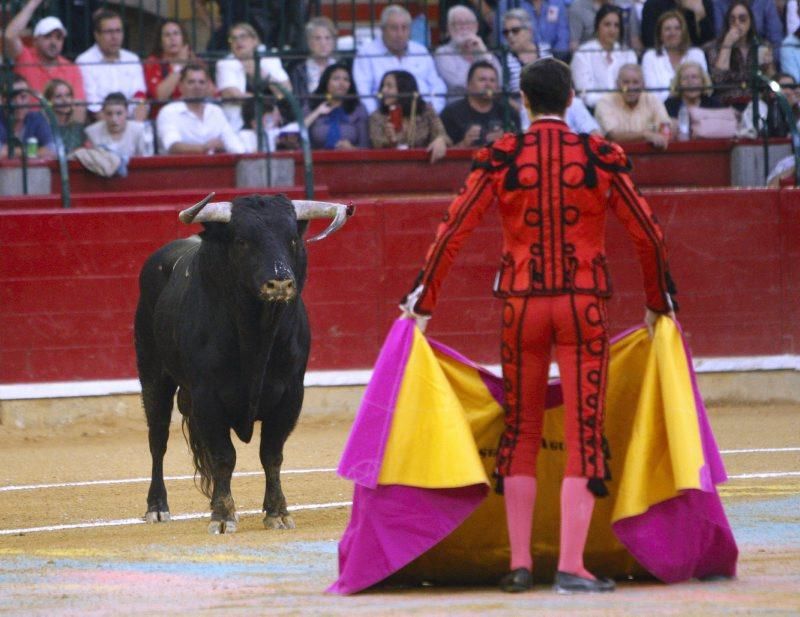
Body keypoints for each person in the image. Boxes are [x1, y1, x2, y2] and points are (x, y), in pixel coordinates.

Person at [400, 57, 676, 595]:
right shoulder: (599, 155)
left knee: (523, 428)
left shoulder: (501, 156)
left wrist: (422, 302)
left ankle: (521, 563)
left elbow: (453, 228)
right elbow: (648, 233)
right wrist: (657, 300)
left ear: (523, 100)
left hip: (522, 306)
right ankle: (571, 565)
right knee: (582, 430)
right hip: (583, 305)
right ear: (571, 98)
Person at [353, 4, 447, 114]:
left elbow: (437, 86)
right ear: (382, 30)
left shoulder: (420, 51)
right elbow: (363, 93)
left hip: (422, 116)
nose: (400, 34)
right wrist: (378, 118)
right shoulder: (366, 53)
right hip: (384, 117)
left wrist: (432, 111)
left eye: (404, 28)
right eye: (394, 28)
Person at [0, 0, 86, 122]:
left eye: (58, 37)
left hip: (59, 129)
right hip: (26, 127)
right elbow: (9, 36)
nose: (53, 42)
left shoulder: (71, 68)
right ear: (35, 40)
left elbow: (79, 108)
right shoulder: (25, 56)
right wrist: (33, 3)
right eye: (47, 36)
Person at [216, 22, 292, 131]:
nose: (238, 41)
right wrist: (270, 105)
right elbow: (234, 96)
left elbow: (286, 90)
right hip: (240, 123)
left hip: (273, 121)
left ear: (255, 40)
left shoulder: (269, 60)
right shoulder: (225, 64)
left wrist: (261, 73)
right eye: (233, 38)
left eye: (243, 37)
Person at [76, 9, 148, 121]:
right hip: (101, 127)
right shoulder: (84, 61)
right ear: (97, 35)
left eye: (118, 31)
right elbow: (93, 106)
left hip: (132, 123)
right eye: (109, 32)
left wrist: (134, 128)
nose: (115, 37)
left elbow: (140, 97)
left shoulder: (132, 59)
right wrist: (115, 130)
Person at [157, 63, 246, 155]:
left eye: (201, 82)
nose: (197, 87)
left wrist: (228, 146)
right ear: (180, 86)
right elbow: (172, 146)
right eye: (191, 82)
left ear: (207, 86)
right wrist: (204, 148)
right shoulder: (169, 112)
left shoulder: (216, 111)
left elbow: (234, 144)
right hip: (179, 167)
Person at [704, 0, 775, 110]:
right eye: (732, 19)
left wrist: (768, 66)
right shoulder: (715, 47)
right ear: (727, 22)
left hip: (756, 103)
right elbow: (718, 79)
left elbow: (771, 82)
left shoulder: (761, 45)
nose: (737, 23)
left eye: (742, 19)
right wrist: (727, 44)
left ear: (750, 21)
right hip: (726, 103)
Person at [369, 70, 449, 162]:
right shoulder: (377, 116)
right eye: (383, 86)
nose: (383, 90)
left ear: (403, 89)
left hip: (424, 165)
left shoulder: (426, 111)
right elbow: (377, 145)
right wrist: (392, 142)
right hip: (391, 167)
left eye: (389, 86)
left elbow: (443, 135)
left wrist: (440, 140)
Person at [570, 5, 638, 109]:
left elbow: (633, 90)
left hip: (625, 110)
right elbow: (586, 95)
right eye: (607, 24)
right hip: (593, 111)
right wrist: (615, 100)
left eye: (616, 25)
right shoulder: (583, 54)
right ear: (597, 27)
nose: (612, 30)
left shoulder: (629, 54)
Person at [440, 60, 518, 147]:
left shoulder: (507, 112)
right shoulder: (451, 113)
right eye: (482, 80)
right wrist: (464, 143)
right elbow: (444, 154)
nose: (488, 85)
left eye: (492, 80)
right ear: (469, 85)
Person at [594, 63, 672, 147]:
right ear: (617, 84)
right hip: (615, 155)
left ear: (643, 85)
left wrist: (666, 130)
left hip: (648, 155)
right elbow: (613, 136)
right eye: (626, 82)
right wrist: (646, 135)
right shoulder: (605, 102)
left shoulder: (652, 100)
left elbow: (665, 127)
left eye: (635, 82)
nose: (631, 87)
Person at [435, 5, 502, 99]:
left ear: (476, 27)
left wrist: (484, 54)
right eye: (457, 23)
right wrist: (487, 84)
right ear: (449, 29)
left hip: (487, 103)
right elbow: (457, 82)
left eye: (468, 22)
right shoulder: (443, 52)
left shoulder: (482, 49)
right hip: (458, 106)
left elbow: (500, 80)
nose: (463, 27)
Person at [641, 10, 709, 101]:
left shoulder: (697, 54)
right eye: (667, 29)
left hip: (695, 107)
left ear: (683, 32)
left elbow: (704, 87)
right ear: (660, 35)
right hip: (661, 111)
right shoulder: (650, 57)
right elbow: (652, 94)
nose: (673, 33)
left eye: (677, 28)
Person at [303, 63, 369, 150]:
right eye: (336, 79)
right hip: (315, 160)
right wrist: (317, 112)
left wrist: (352, 149)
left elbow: (365, 146)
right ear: (326, 82)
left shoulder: (358, 108)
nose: (342, 83)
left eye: (346, 79)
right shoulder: (312, 105)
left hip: (350, 160)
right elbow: (298, 137)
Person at [143, 20, 197, 119]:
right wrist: (179, 66)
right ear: (160, 42)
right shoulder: (153, 62)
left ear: (183, 38)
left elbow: (211, 93)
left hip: (191, 117)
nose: (172, 38)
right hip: (163, 118)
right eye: (167, 35)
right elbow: (160, 96)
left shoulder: (194, 60)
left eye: (176, 34)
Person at [500, 8, 552, 112]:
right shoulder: (504, 59)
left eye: (515, 31)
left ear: (529, 31)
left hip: (551, 107)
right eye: (506, 32)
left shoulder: (547, 50)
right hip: (521, 111)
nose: (510, 36)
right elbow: (501, 94)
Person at [0, 73, 55, 159]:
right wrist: (36, 151)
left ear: (29, 98)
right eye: (12, 98)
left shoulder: (37, 119)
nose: (18, 103)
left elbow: (52, 150)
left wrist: (15, 151)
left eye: (23, 97)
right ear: (2, 100)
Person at [289, 17, 338, 106]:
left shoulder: (340, 66)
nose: (323, 43)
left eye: (327, 38)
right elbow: (298, 102)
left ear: (334, 42)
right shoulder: (299, 70)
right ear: (309, 42)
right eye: (317, 38)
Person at [495, 0, 570, 58]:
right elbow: (503, 40)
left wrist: (555, 61)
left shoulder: (557, 3)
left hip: (553, 60)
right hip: (517, 59)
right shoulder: (507, 4)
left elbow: (562, 39)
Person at [663, 60, 721, 133]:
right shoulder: (669, 105)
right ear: (678, 83)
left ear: (703, 82)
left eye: (695, 77)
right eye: (685, 78)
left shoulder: (714, 104)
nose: (690, 82)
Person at [85, 92, 148, 158]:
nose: (114, 119)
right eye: (109, 114)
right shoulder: (92, 132)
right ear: (103, 113)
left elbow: (145, 160)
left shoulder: (138, 130)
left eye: (119, 113)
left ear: (127, 112)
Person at [739, 72, 800, 137]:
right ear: (771, 92)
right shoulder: (758, 106)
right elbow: (760, 133)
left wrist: (790, 107)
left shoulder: (796, 106)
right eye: (784, 87)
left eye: (791, 87)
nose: (788, 91)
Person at [569, 0, 643, 53]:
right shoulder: (577, 7)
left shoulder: (626, 4)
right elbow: (574, 44)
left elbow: (635, 40)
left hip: (621, 56)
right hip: (591, 57)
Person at [640, 0, 715, 49]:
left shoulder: (703, 2)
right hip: (661, 56)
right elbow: (649, 40)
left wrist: (700, 13)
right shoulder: (653, 4)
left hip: (694, 56)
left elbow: (708, 40)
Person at [713, 0, 784, 49]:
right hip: (730, 53)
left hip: (759, 53)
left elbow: (776, 40)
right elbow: (720, 37)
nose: (737, 23)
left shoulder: (765, 2)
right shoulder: (719, 3)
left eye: (743, 19)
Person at [43, 78, 88, 154]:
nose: (65, 100)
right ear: (49, 101)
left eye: (68, 95)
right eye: (58, 97)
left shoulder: (78, 128)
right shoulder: (42, 126)